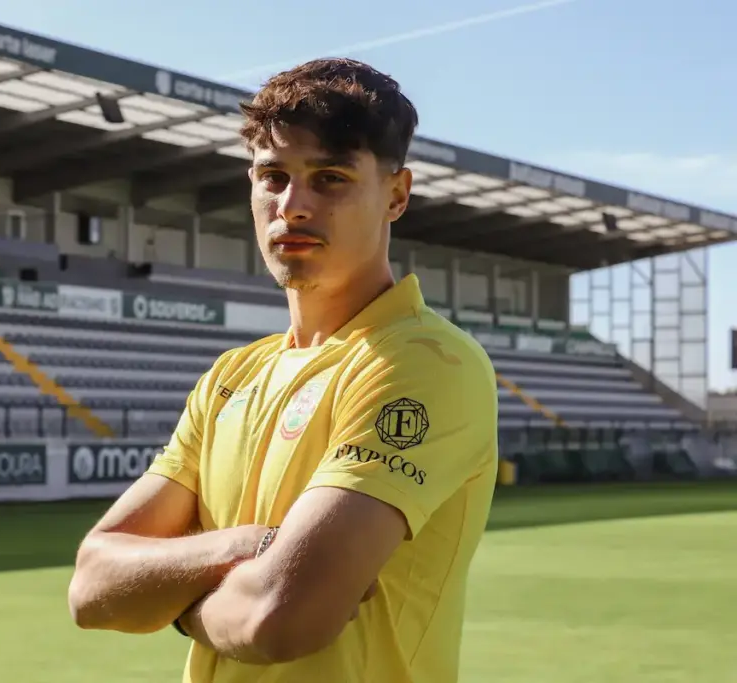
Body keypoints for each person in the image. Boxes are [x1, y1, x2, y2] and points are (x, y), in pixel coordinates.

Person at [67, 57, 499, 683]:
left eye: (330, 178)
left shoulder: (424, 362)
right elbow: (90, 584)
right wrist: (239, 550)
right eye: (273, 176)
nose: (292, 206)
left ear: (397, 195)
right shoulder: (232, 374)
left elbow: (281, 618)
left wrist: (178, 605)